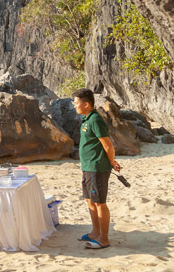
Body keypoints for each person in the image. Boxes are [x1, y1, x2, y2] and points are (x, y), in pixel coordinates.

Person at [73, 88, 121, 249]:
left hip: (97, 168)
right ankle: (95, 233)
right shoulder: (87, 119)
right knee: (90, 200)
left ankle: (104, 239)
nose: (75, 106)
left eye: (76, 103)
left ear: (86, 104)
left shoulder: (95, 120)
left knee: (100, 202)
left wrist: (112, 161)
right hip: (87, 167)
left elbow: (107, 145)